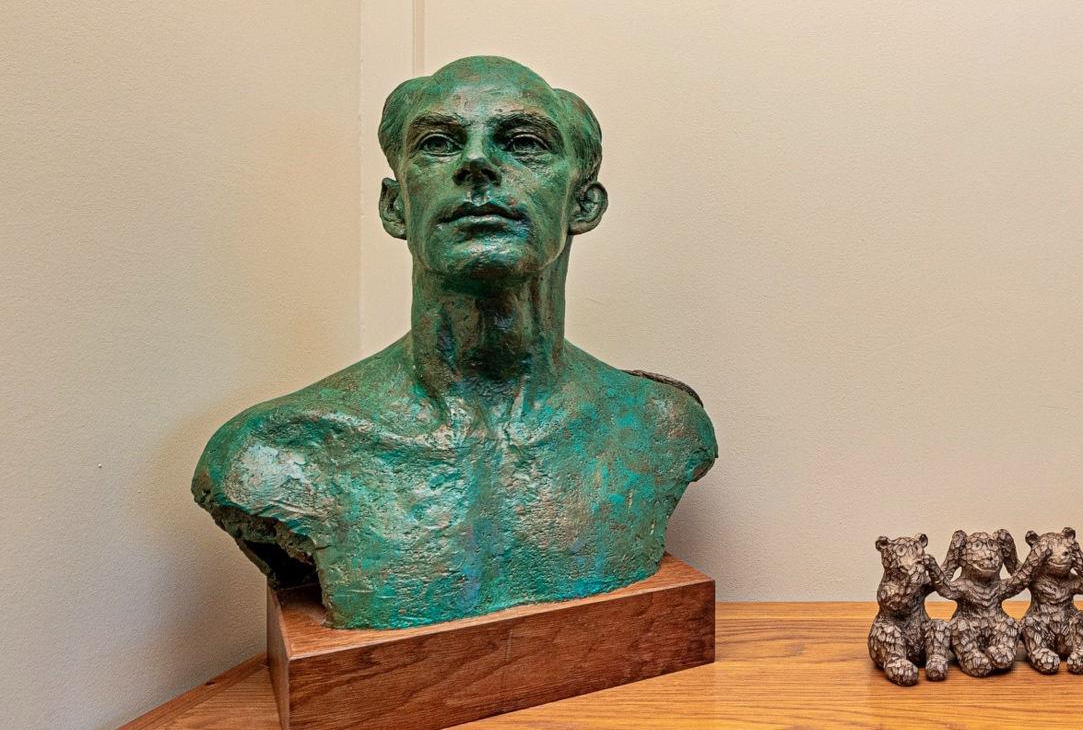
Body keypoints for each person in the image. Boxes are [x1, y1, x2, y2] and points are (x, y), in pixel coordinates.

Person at [193, 56, 716, 629]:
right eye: (439, 144)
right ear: (396, 206)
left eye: (524, 143)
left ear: (582, 203)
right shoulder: (279, 452)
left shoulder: (659, 425)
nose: (477, 163)